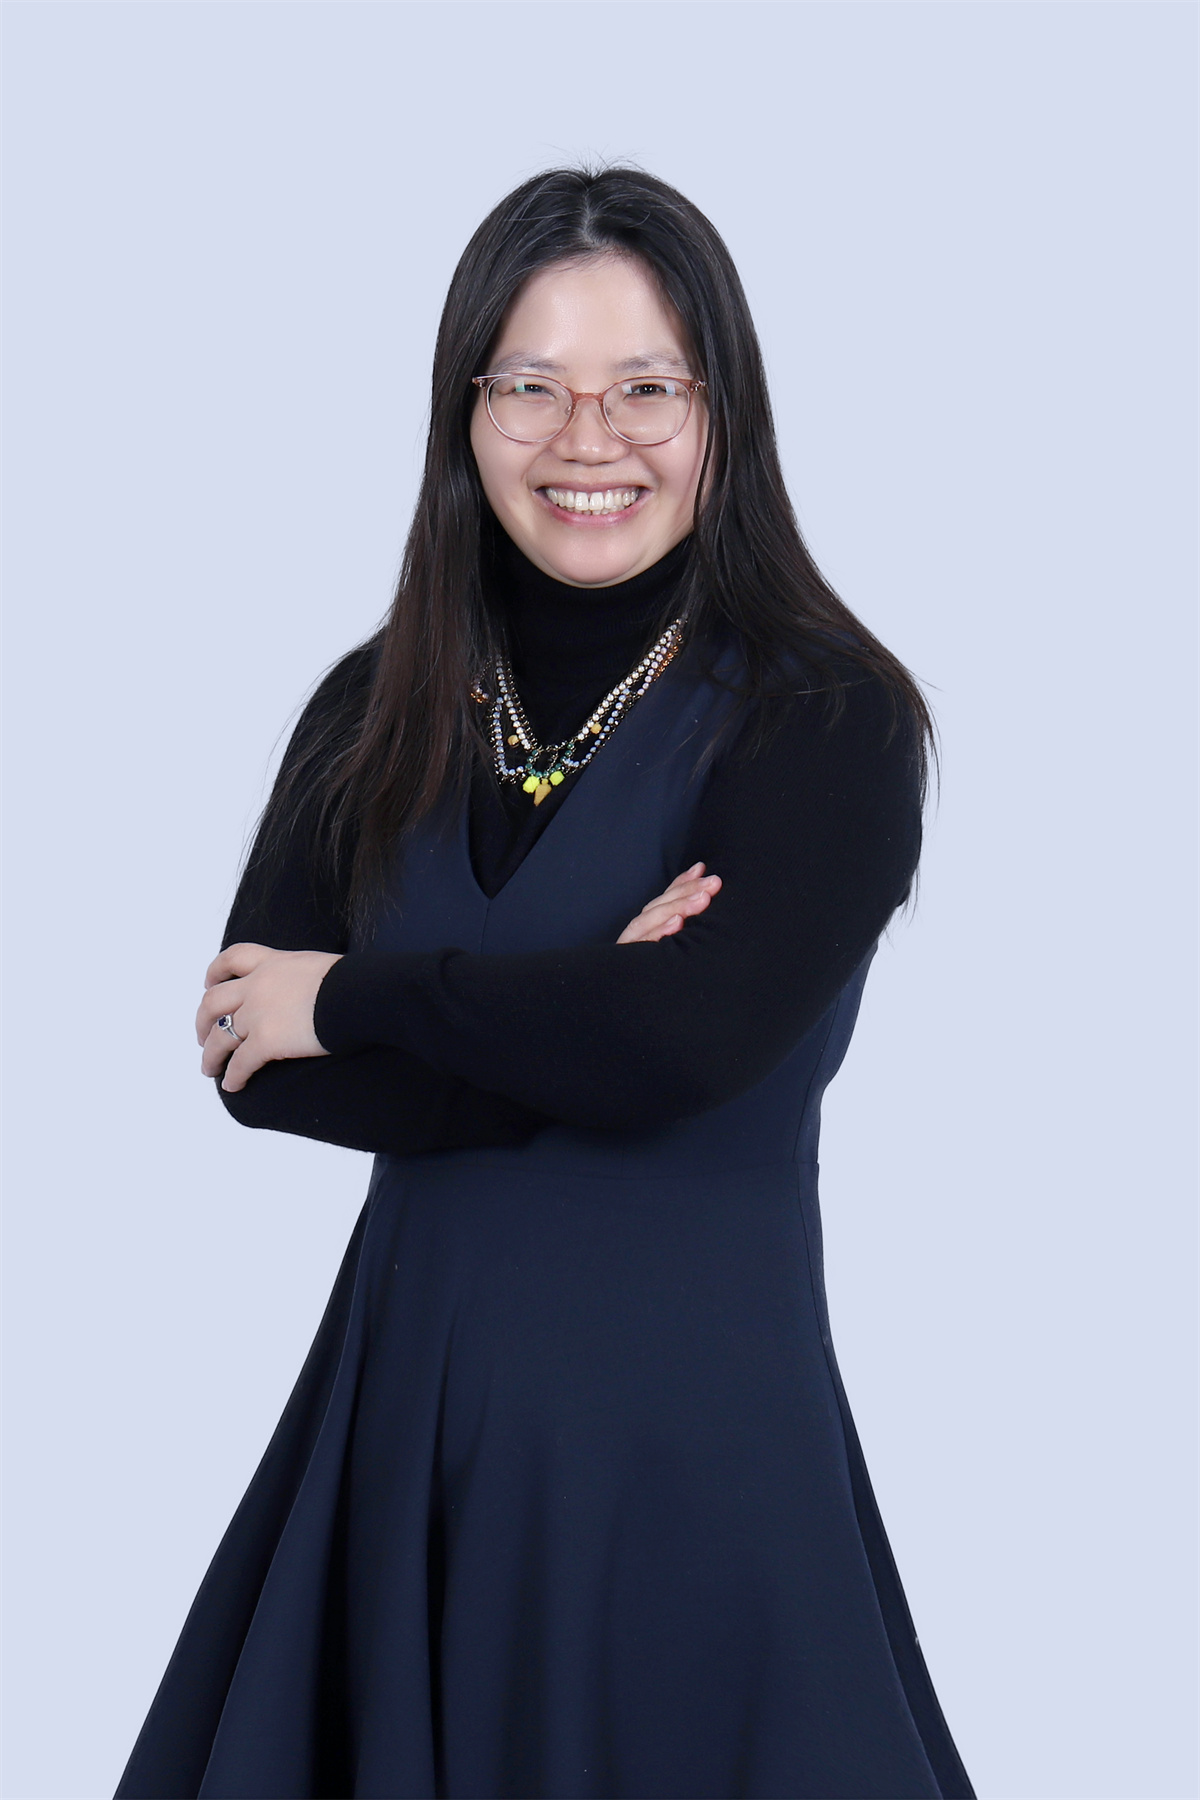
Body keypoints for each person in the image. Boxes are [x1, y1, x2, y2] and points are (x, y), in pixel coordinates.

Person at [116, 166, 974, 1800]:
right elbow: (249, 1057)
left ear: (722, 414)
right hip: (407, 1449)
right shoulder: (374, 706)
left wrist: (358, 998)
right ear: (467, 410)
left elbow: (685, 1042)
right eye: (533, 387)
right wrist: (582, 1009)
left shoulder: (830, 716)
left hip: (693, 1462)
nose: (591, 439)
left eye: (647, 387)